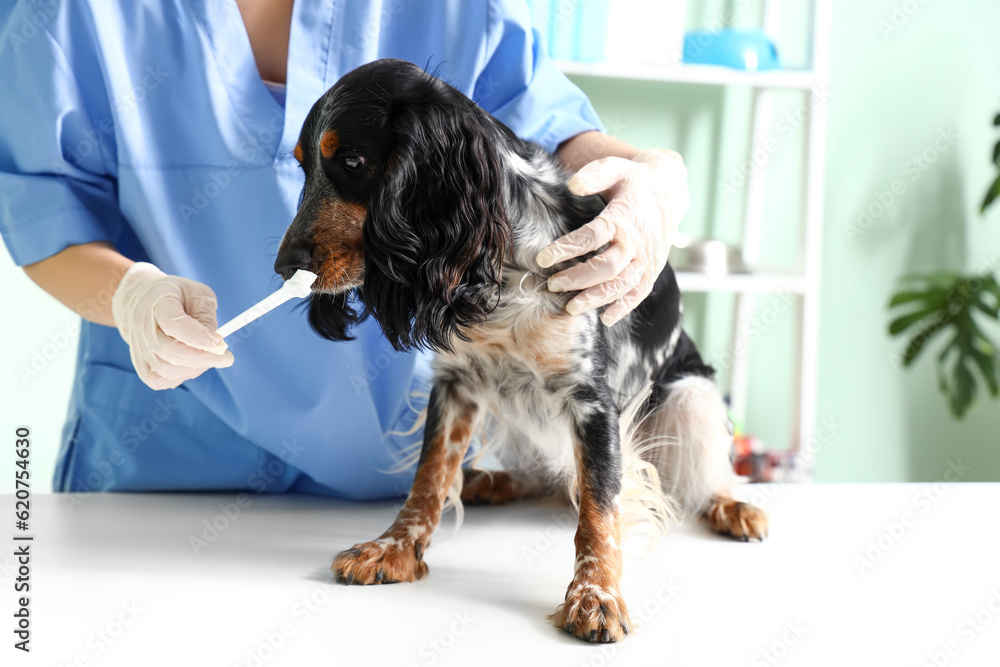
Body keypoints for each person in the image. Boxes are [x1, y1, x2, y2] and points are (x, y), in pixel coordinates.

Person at [0, 0, 689, 499]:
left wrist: (650, 176)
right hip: (169, 469)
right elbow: (45, 213)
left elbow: (544, 137)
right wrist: (129, 295)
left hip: (421, 472)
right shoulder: (70, 14)